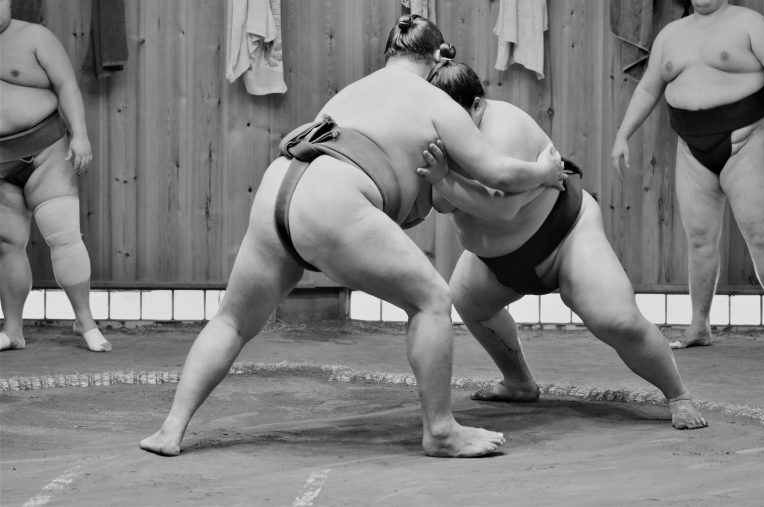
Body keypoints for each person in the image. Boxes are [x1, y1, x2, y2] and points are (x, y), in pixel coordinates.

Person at [140, 14, 566, 458]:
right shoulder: (436, 101)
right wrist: (543, 171)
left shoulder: (353, 90)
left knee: (232, 319)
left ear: (390, 55)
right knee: (433, 300)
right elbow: (496, 172)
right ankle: (441, 431)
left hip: (280, 185)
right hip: (335, 198)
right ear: (440, 57)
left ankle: (171, 429)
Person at [418, 61, 707, 430]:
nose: (446, 128)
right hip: (495, 261)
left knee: (616, 320)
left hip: (566, 236)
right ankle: (519, 382)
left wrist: (445, 180)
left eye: (452, 118)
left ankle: (677, 394)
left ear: (475, 105)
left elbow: (502, 209)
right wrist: (444, 181)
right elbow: (441, 202)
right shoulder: (440, 138)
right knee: (468, 301)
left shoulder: (505, 128)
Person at [610, 0, 764, 354]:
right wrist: (623, 134)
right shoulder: (670, 34)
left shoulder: (749, 24)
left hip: (747, 138)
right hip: (691, 146)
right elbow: (649, 88)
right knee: (698, 239)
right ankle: (699, 325)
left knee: (760, 234)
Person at [0, 0, 110, 353]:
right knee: (7, 245)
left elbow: (66, 85)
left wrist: (79, 134)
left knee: (63, 236)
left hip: (46, 151)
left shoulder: (35, 37)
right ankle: (13, 330)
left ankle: (84, 321)